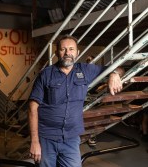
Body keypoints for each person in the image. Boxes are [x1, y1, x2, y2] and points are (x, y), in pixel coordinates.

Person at [28, 34, 124, 167]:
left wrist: (114, 73)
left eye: (71, 49)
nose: (68, 53)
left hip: (71, 139)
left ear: (78, 52)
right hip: (47, 138)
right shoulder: (45, 74)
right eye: (63, 49)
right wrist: (34, 141)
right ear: (56, 53)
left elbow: (120, 68)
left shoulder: (85, 70)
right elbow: (33, 108)